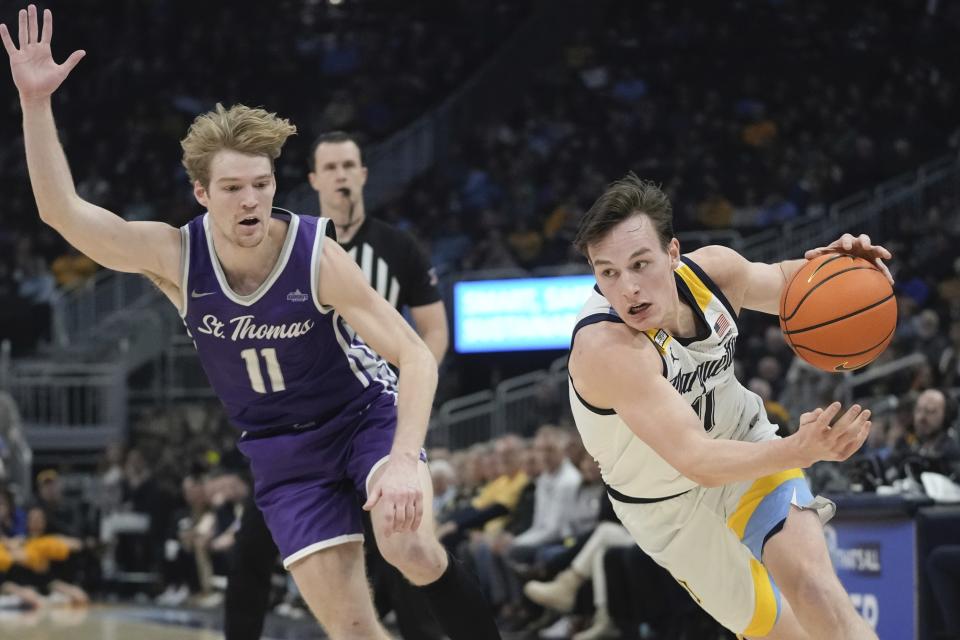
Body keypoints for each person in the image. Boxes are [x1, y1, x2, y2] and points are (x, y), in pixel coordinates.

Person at [1, 7, 500, 639]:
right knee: (351, 630)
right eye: (233, 188)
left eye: (261, 184)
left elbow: (416, 355)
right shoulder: (176, 258)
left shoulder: (316, 254)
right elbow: (63, 214)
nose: (252, 200)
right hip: (280, 452)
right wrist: (35, 105)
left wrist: (405, 458)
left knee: (408, 548)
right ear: (202, 194)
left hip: (361, 418)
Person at [566, 172, 881, 639]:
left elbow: (790, 284)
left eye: (639, 263)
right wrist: (799, 449)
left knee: (817, 591)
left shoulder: (716, 272)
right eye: (607, 272)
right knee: (787, 633)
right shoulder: (606, 350)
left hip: (744, 440)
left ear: (673, 254)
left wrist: (848, 268)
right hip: (667, 505)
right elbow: (697, 460)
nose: (628, 287)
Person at [225, 131, 449, 640]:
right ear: (313, 180)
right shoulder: (287, 249)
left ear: (363, 174)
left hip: (374, 414)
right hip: (298, 430)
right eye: (331, 168)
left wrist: (403, 385)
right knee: (251, 552)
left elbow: (432, 333)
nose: (342, 176)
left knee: (402, 550)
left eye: (350, 165)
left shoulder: (397, 246)